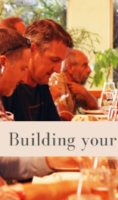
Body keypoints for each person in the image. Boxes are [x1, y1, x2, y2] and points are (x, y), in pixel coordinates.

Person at [0, 27, 91, 200]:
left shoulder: (39, 88)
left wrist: (58, 158)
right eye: (21, 69)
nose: (58, 70)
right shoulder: (8, 92)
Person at [2, 19, 74, 121]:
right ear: (33, 50)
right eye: (54, 60)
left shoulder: (43, 87)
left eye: (61, 62)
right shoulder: (8, 88)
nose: (58, 70)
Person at [50, 49, 98, 121]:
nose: (89, 70)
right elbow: (62, 114)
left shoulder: (74, 85)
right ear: (70, 68)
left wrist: (85, 92)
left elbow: (95, 109)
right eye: (85, 65)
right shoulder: (57, 79)